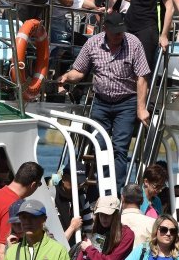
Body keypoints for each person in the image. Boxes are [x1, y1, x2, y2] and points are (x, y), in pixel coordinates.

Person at [58, 12, 150, 191]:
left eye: (121, 32)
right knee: (99, 145)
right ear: (105, 29)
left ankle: (116, 190)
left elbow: (142, 78)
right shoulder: (92, 44)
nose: (119, 35)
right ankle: (101, 187)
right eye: (115, 32)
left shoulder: (134, 44)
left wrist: (141, 108)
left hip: (126, 102)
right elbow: (80, 71)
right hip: (101, 101)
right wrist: (67, 76)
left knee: (120, 148)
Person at [53, 167, 93, 246]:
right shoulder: (52, 195)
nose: (78, 185)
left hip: (76, 249)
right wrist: (72, 227)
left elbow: (88, 228)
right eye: (75, 182)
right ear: (64, 179)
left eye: (80, 182)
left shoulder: (82, 196)